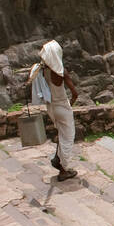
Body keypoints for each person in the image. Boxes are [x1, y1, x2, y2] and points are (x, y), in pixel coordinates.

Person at [28, 40, 79, 181]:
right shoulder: (61, 72)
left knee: (61, 134)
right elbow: (75, 93)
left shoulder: (43, 71)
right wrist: (70, 105)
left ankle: (58, 159)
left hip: (51, 107)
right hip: (62, 105)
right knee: (68, 137)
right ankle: (63, 170)